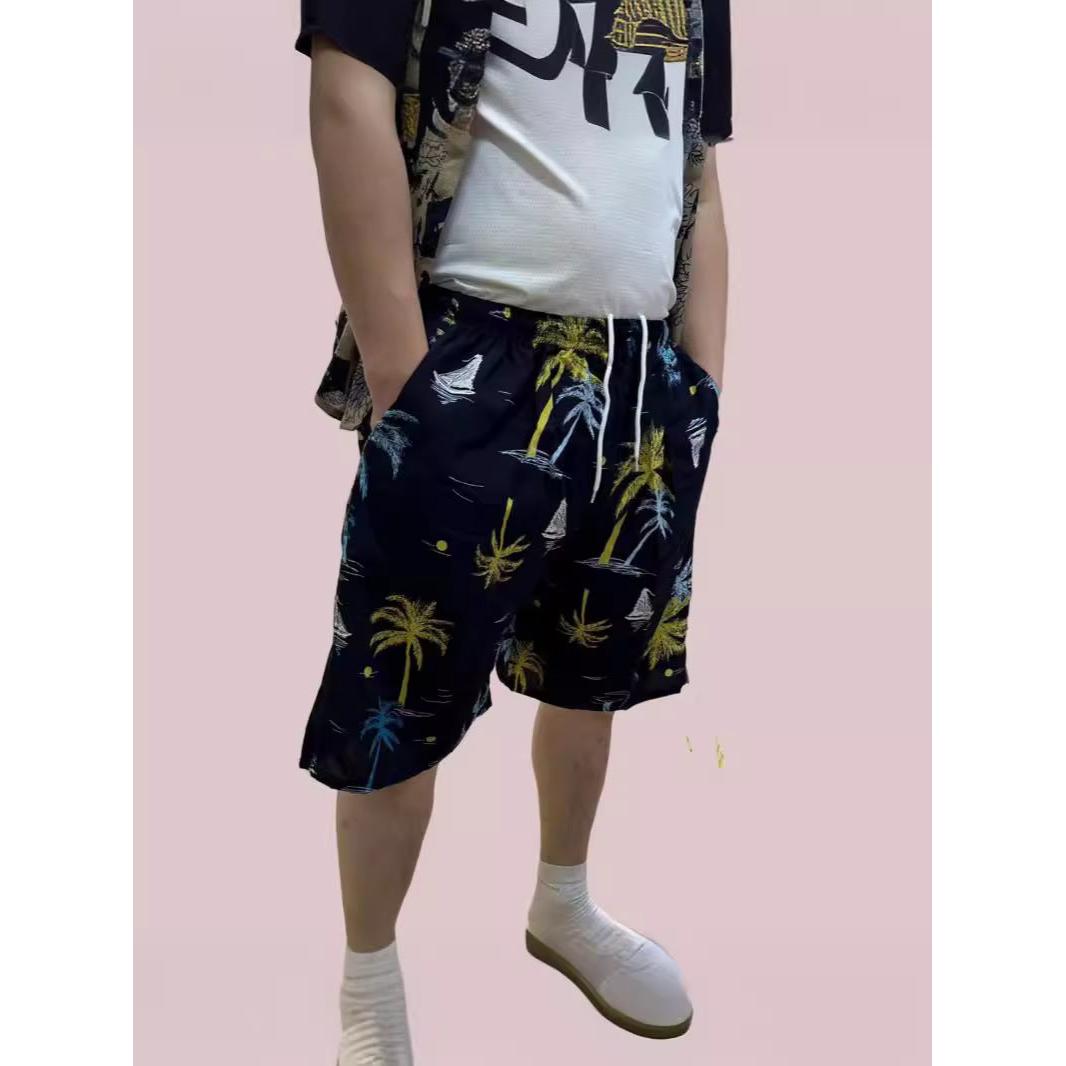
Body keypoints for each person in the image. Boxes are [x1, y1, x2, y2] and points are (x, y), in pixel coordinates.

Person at [295, 2, 732, 1061]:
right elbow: (348, 94)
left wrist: (700, 385)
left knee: (595, 665)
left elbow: (698, 165)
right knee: (402, 691)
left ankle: (562, 902)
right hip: (472, 349)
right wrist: (404, 379)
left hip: (640, 371)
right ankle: (369, 981)